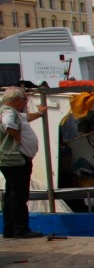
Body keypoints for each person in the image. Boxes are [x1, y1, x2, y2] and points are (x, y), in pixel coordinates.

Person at [1, 87, 46, 239]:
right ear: (16, 100)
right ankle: (21, 229)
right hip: (16, 160)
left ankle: (9, 229)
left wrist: (40, 113)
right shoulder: (8, 113)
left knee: (11, 194)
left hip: (13, 160)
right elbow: (8, 124)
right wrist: (17, 138)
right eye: (24, 100)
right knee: (19, 195)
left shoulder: (15, 113)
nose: (26, 103)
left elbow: (25, 118)